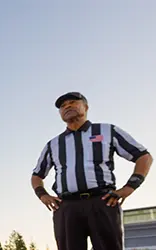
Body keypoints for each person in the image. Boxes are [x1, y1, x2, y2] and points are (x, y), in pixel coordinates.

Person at [31, 92, 152, 250]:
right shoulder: (54, 144)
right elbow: (37, 175)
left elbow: (144, 157)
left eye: (73, 102)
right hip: (67, 206)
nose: (67, 106)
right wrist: (43, 195)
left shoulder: (107, 131)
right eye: (62, 106)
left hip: (102, 201)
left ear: (85, 107)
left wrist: (129, 187)